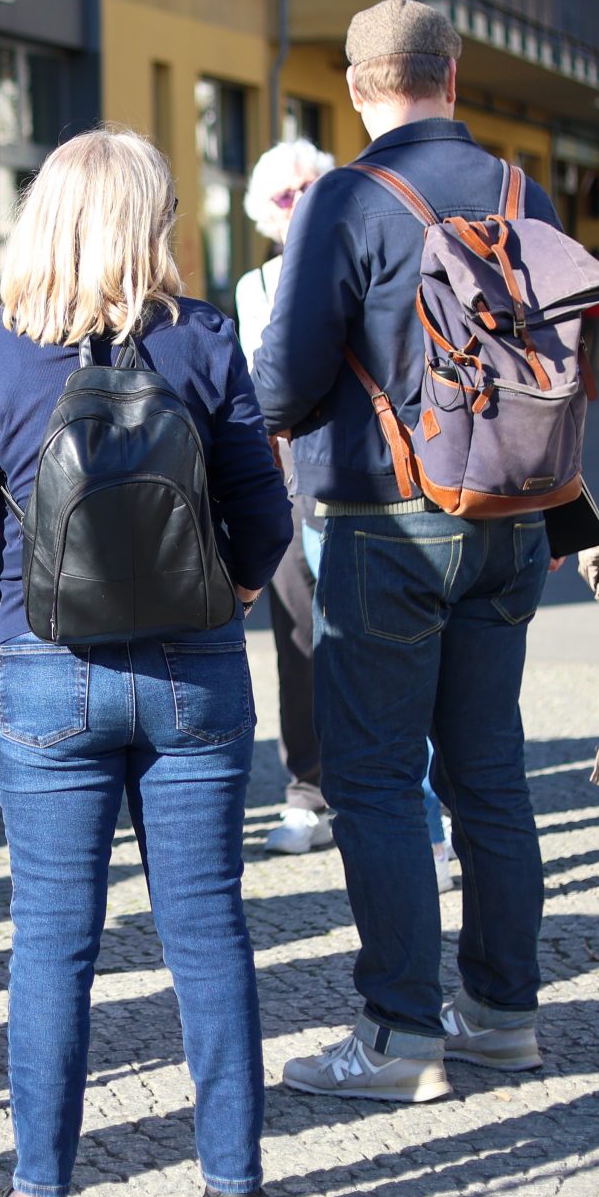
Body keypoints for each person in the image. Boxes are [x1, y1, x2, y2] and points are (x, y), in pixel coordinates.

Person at [0, 125, 289, 1197]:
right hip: (193, 666)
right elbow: (263, 518)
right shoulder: (202, 339)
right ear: (152, 225)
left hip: (45, 661)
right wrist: (227, 601)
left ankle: (39, 1194)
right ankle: (233, 1190)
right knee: (208, 932)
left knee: (51, 938)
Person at [252, 0, 561, 1103]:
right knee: (488, 772)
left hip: (387, 522)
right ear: (454, 76)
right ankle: (504, 1017)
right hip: (513, 514)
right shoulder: (523, 192)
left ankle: (397, 1036)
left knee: (376, 780)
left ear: (354, 87)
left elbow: (282, 382)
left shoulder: (346, 198)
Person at [233, 138, 336, 858]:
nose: (298, 202)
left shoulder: (357, 260)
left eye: (309, 187)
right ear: (263, 213)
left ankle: (402, 794)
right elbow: (258, 385)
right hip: (292, 473)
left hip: (365, 470)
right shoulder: (257, 286)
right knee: (298, 637)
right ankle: (308, 791)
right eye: (283, 194)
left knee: (382, 632)